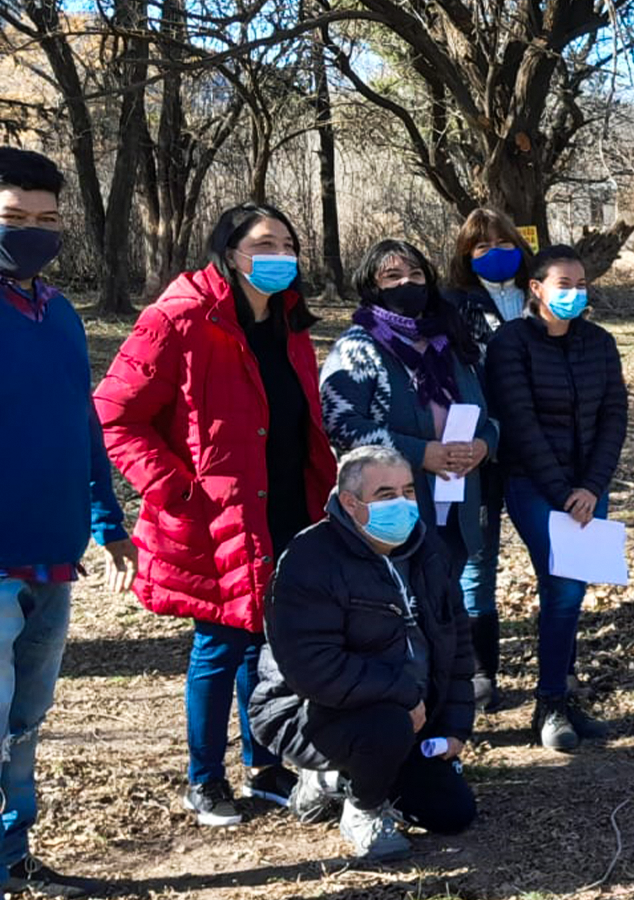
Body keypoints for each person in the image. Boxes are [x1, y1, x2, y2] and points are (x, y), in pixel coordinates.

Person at [96, 203, 337, 828]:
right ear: (230, 251)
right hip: (214, 515)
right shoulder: (178, 319)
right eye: (264, 242)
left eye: (288, 242)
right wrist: (177, 490)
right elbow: (115, 416)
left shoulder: (290, 323)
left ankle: (267, 762)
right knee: (221, 644)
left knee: (268, 643)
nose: (279, 253)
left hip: (288, 506)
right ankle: (204, 780)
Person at [0, 147, 136, 898]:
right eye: (14, 220)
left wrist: (106, 518)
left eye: (47, 221)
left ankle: (14, 855)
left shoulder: (59, 315)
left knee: (25, 721)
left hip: (54, 552)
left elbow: (81, 423)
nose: (32, 232)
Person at [250, 446, 476, 861]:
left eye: (409, 491)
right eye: (386, 495)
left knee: (452, 812)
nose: (404, 505)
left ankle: (340, 780)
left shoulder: (429, 553)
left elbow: (457, 645)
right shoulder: (309, 560)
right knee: (385, 728)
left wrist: (456, 726)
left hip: (411, 714)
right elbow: (313, 670)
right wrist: (404, 694)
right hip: (309, 714)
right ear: (350, 503)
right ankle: (362, 809)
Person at [485, 245, 626, 750]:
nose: (574, 294)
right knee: (562, 588)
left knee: (572, 589)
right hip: (534, 485)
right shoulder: (511, 343)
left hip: (590, 486)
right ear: (537, 289)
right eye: (563, 285)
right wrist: (564, 492)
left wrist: (591, 486)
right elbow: (520, 425)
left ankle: (564, 692)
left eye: (581, 285)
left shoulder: (600, 343)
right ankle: (549, 706)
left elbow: (615, 417)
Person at [319, 240, 499, 622]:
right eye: (393, 276)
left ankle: (457, 678)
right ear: (372, 286)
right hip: (394, 506)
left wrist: (485, 444)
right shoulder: (357, 348)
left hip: (458, 498)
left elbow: (492, 413)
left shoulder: (453, 344)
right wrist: (422, 453)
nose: (407, 284)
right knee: (406, 606)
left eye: (416, 275)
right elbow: (341, 426)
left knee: (449, 602)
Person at [440, 208, 539, 712]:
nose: (494, 252)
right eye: (480, 246)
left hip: (540, 450)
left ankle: (558, 670)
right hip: (477, 451)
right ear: (464, 256)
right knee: (477, 562)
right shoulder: (449, 306)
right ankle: (481, 671)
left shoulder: (542, 297)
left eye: (503, 241)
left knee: (556, 562)